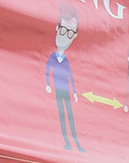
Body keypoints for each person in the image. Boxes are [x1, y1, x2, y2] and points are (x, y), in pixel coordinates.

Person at [45, 3, 83, 153]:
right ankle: (66, 141)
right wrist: (48, 84)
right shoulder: (53, 57)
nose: (66, 35)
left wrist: (74, 92)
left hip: (66, 91)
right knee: (62, 116)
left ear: (74, 36)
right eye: (64, 30)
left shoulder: (66, 60)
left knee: (70, 115)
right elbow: (48, 71)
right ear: (57, 28)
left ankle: (75, 142)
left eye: (70, 32)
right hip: (58, 91)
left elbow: (71, 77)